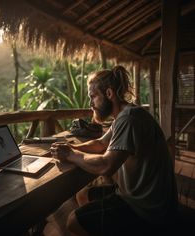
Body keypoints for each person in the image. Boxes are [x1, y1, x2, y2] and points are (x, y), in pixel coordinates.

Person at [50, 66, 178, 235]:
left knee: (73, 221)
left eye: (93, 97)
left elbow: (106, 165)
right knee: (83, 195)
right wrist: (70, 147)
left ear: (109, 94)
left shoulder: (129, 119)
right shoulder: (125, 115)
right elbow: (101, 144)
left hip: (147, 209)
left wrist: (70, 155)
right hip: (141, 197)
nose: (91, 104)